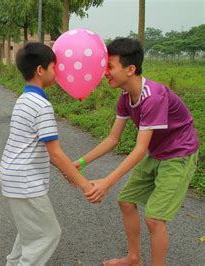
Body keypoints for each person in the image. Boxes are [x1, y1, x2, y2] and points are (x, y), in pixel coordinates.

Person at [76, 38, 199, 266]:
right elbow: (113, 139)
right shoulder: (125, 97)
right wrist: (80, 163)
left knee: (154, 219)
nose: (105, 73)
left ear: (130, 69)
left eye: (110, 67)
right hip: (157, 152)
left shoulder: (153, 97)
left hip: (179, 154)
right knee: (126, 201)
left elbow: (139, 149)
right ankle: (133, 258)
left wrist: (107, 182)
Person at [0, 42, 93, 265]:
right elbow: (55, 153)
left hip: (13, 175)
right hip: (25, 180)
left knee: (30, 230)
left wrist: (68, 171)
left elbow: (37, 147)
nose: (57, 71)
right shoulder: (41, 105)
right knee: (48, 233)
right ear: (40, 70)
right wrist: (84, 184)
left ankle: (14, 262)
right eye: (53, 66)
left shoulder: (24, 99)